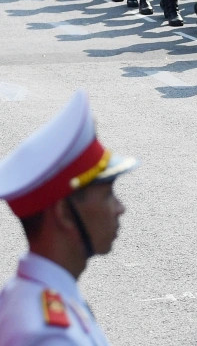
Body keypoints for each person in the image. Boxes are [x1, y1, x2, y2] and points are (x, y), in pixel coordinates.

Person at [0, 90, 138, 345]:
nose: (120, 208)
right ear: (64, 213)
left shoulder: (25, 294)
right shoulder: (51, 336)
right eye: (108, 195)